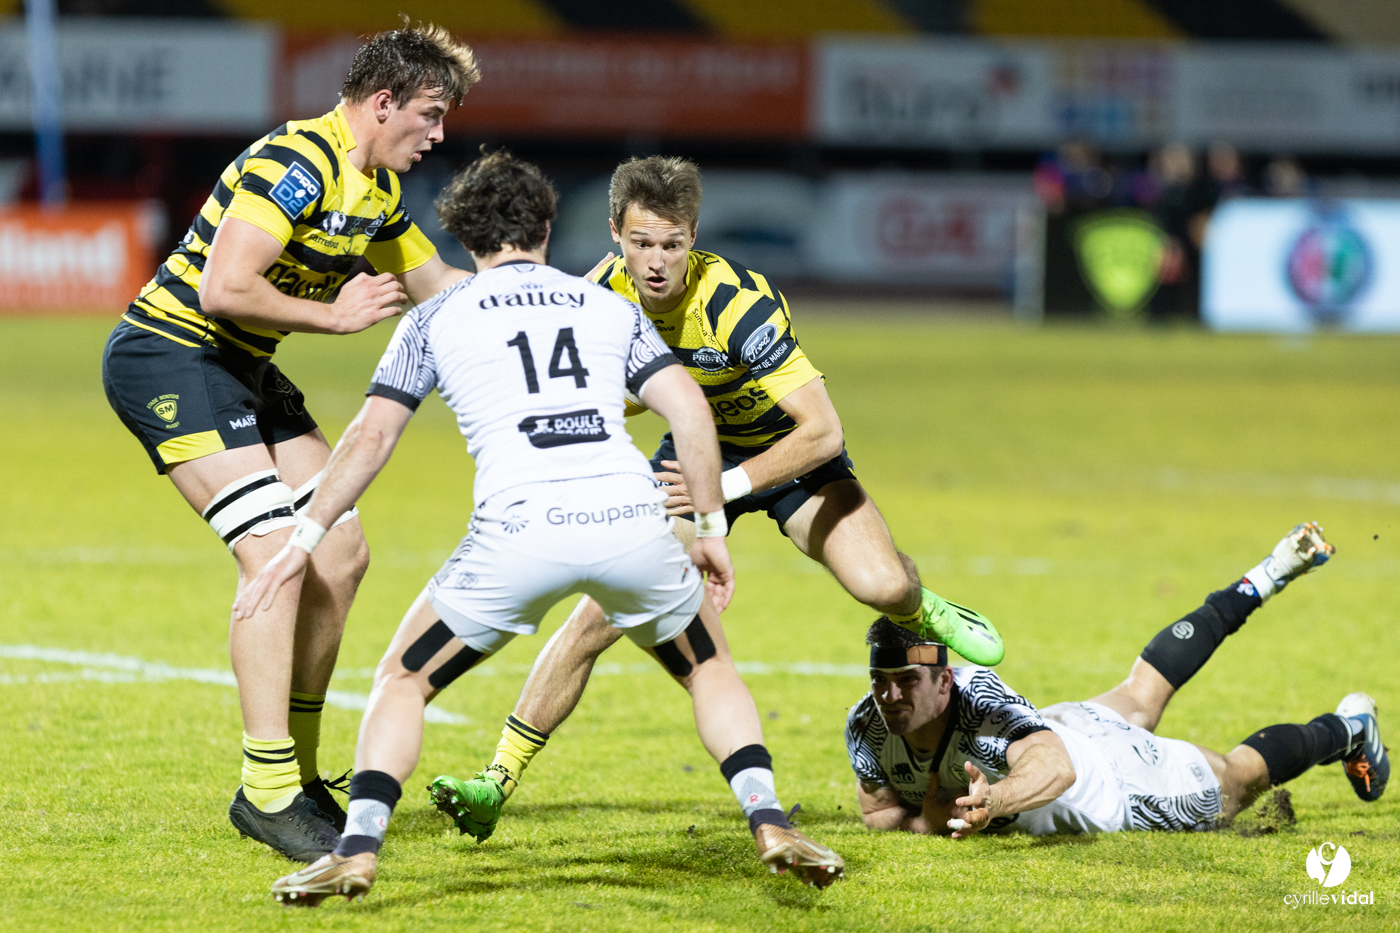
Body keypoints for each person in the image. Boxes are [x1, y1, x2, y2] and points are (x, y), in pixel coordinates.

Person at [231, 150, 844, 905]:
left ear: (463, 237)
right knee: (708, 667)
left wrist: (301, 541)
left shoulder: (434, 316)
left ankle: (356, 849)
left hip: (518, 534)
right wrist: (712, 525)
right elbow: (687, 408)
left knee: (403, 678)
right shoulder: (608, 306)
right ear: (549, 228)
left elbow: (369, 439)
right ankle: (770, 819)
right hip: (630, 523)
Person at [428, 155, 1005, 843]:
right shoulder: (599, 297)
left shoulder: (737, 302)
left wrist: (723, 488)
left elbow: (822, 430)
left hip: (785, 460)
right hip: (690, 462)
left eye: (672, 244)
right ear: (614, 232)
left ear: (694, 237)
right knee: (598, 613)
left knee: (881, 584)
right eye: (642, 243)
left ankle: (924, 605)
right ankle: (498, 778)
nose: (656, 262)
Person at [100, 22, 478, 860]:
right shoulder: (296, 162)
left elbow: (443, 291)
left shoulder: (372, 189)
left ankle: (300, 777)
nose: (439, 132)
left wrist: (561, 308)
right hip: (172, 355)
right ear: (383, 103)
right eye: (430, 112)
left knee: (338, 549)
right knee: (275, 550)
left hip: (240, 370)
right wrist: (331, 314)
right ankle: (267, 789)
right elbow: (224, 285)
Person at [849, 523, 1388, 836]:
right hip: (1070, 723)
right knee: (1141, 690)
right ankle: (1270, 572)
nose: (889, 696)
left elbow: (1054, 768)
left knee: (1232, 782)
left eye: (907, 681)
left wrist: (995, 801)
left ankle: (1350, 728)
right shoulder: (865, 725)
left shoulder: (982, 700)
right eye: (881, 680)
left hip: (1115, 784)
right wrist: (926, 821)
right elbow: (881, 812)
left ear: (945, 683)